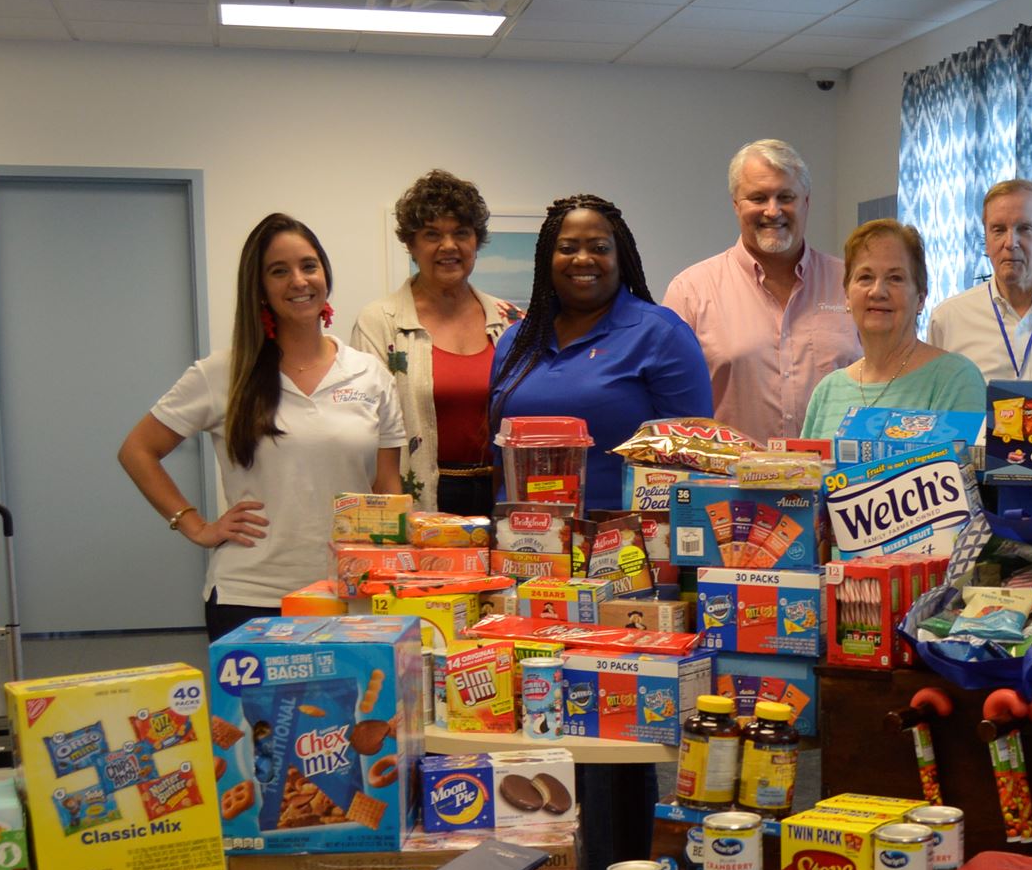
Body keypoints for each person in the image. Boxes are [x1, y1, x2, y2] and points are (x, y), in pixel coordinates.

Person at [120, 212, 403, 641]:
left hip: (351, 593)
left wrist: (395, 565)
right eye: (279, 271)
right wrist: (194, 524)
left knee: (357, 710)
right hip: (251, 594)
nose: (298, 280)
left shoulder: (369, 374)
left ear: (325, 273)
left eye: (309, 265)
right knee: (260, 714)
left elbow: (387, 484)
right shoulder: (223, 373)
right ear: (259, 288)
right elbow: (137, 451)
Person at [487, 194, 712, 511]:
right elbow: (500, 456)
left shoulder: (661, 334)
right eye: (567, 248)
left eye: (599, 248)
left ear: (622, 258)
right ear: (545, 260)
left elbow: (694, 460)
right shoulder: (517, 340)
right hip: (522, 538)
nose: (582, 259)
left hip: (622, 543)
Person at [661, 138, 859, 442]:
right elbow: (670, 411)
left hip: (840, 484)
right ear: (736, 205)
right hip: (729, 486)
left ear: (806, 202)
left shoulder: (853, 283)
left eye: (786, 196)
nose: (772, 210)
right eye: (758, 197)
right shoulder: (690, 292)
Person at [351, 169, 524, 516]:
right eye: (432, 235)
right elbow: (364, 428)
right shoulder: (380, 322)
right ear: (411, 245)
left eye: (461, 233)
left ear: (476, 241)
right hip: (418, 497)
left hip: (502, 493)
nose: (449, 246)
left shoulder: (511, 321)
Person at [798, 221, 987, 440]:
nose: (878, 291)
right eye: (865, 277)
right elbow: (807, 473)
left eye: (895, 278)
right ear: (847, 295)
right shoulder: (827, 392)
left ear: (920, 298)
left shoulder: (955, 379)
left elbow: (961, 471)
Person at [923, 178, 1032, 382]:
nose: (1010, 243)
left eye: (1024, 228)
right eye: (998, 230)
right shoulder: (948, 319)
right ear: (987, 240)